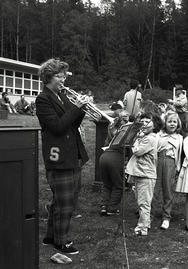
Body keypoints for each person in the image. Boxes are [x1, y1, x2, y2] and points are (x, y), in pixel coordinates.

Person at [36, 58, 89, 255]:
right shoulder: (43, 99)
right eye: (60, 76)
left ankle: (50, 237)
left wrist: (81, 108)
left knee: (62, 200)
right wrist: (76, 108)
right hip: (58, 157)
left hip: (72, 154)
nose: (63, 80)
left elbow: (72, 123)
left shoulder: (62, 96)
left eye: (64, 76)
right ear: (49, 77)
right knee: (65, 202)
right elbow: (58, 127)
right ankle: (61, 241)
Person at [126, 112, 162, 236]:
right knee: (141, 200)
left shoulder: (150, 138)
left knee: (144, 202)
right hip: (141, 173)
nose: (144, 124)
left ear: (155, 124)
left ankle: (143, 227)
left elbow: (137, 151)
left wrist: (136, 140)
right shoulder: (147, 137)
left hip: (146, 175)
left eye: (148, 121)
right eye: (143, 121)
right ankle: (145, 223)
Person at [152, 111, 183, 230]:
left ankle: (166, 217)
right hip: (158, 162)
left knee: (168, 191)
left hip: (171, 164)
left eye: (174, 122)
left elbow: (179, 155)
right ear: (165, 122)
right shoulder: (159, 135)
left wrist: (177, 168)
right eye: (169, 121)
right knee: (155, 189)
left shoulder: (179, 138)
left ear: (178, 124)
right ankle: (149, 214)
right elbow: (154, 150)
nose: (172, 124)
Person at [99, 110, 130, 216]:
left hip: (104, 157)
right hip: (115, 158)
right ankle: (111, 208)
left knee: (107, 184)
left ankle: (104, 206)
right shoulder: (125, 132)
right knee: (118, 185)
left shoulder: (111, 129)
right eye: (125, 117)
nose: (126, 118)